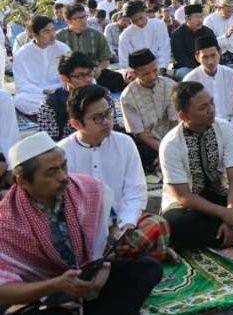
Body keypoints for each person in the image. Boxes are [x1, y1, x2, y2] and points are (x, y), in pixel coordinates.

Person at [0, 132, 162, 314]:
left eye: (64, 166)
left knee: (148, 268)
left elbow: (108, 229)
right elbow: (3, 291)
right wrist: (55, 285)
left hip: (87, 277)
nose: (63, 177)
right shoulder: (5, 222)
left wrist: (116, 240)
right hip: (42, 294)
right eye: (51, 172)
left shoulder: (87, 189)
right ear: (23, 182)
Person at [58, 85, 174, 262]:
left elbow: (136, 192)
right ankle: (130, 258)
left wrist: (123, 228)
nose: (106, 121)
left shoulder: (124, 143)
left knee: (158, 224)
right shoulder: (62, 153)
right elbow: (63, 206)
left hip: (122, 224)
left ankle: (116, 257)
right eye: (97, 118)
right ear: (76, 123)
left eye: (108, 113)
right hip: (83, 231)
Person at [160, 82, 233, 249]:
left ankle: (225, 233)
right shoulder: (170, 144)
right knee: (175, 226)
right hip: (187, 206)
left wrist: (231, 212)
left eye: (212, 102)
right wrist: (224, 214)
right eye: (203, 107)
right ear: (184, 116)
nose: (211, 109)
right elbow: (183, 197)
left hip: (219, 195)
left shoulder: (225, 128)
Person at [37, 52, 117, 142]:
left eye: (90, 73)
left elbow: (113, 128)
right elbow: (49, 143)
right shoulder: (50, 105)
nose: (88, 79)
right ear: (64, 78)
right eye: (81, 76)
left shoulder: (104, 95)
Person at [120, 49, 178, 171]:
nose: (152, 76)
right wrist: (163, 151)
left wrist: (168, 148)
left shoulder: (170, 86)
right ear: (134, 74)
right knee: (134, 153)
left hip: (173, 137)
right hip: (148, 143)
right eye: (146, 74)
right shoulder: (127, 97)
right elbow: (140, 134)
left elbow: (174, 122)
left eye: (155, 70)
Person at [183, 36, 233, 135]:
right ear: (197, 57)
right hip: (203, 129)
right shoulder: (190, 80)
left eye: (213, 55)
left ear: (220, 53)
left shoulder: (230, 74)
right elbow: (186, 112)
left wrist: (230, 128)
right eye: (205, 57)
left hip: (232, 125)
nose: (210, 61)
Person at [55, 3, 124, 92]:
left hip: (92, 72)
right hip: (70, 75)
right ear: (68, 20)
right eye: (79, 18)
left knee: (117, 78)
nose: (83, 20)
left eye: (84, 17)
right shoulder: (59, 37)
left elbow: (105, 60)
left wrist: (98, 69)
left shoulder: (97, 35)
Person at [12, 15, 72, 116]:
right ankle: (58, 108)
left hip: (61, 91)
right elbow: (21, 84)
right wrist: (43, 91)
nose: (52, 35)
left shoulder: (62, 49)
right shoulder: (22, 54)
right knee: (19, 99)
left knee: (90, 83)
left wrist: (61, 89)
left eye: (53, 30)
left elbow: (71, 74)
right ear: (35, 34)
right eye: (46, 31)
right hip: (36, 94)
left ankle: (52, 108)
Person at [117, 1, 171, 72]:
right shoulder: (125, 36)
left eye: (141, 18)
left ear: (145, 12)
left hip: (160, 70)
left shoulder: (159, 25)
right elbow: (125, 61)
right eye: (134, 21)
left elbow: (164, 49)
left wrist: (162, 68)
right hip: (139, 74)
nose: (139, 22)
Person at [170, 3, 215, 80]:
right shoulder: (177, 35)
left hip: (207, 65)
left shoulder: (208, 32)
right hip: (186, 68)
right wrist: (200, 70)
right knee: (189, 73)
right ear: (187, 19)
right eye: (197, 17)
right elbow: (180, 58)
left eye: (201, 17)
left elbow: (215, 51)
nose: (200, 20)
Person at [204, 0, 233, 67]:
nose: (230, 14)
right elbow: (208, 44)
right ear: (220, 8)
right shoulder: (209, 20)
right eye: (228, 11)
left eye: (232, 11)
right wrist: (226, 35)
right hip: (217, 57)